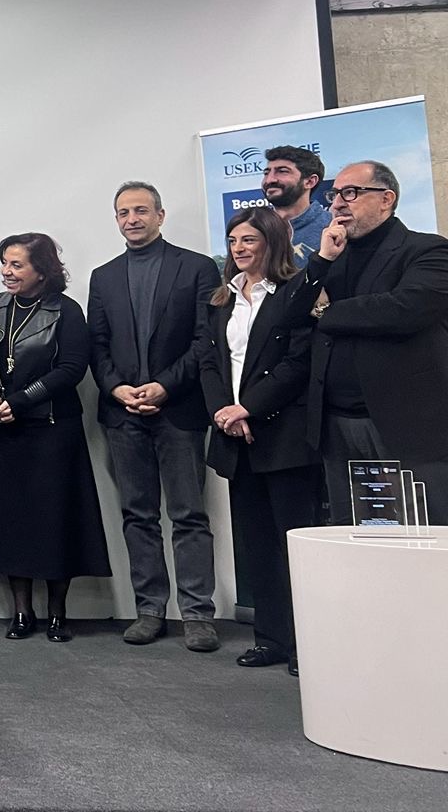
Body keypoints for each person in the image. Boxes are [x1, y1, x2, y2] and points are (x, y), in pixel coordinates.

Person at [87, 181, 220, 651]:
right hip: (123, 413)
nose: (132, 219)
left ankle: (198, 614)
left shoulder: (198, 268)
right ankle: (150, 610)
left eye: (141, 210)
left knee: (188, 515)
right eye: (124, 212)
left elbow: (205, 339)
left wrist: (165, 385)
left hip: (178, 409)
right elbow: (97, 345)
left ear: (160, 215)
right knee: (138, 515)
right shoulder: (103, 276)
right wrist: (116, 388)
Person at [0, 233, 110, 643]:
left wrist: (19, 400)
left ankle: (58, 614)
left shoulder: (66, 310)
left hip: (53, 431)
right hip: (6, 432)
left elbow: (71, 368)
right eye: (5, 263)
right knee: (12, 522)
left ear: (43, 271)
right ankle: (22, 611)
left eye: (17, 265)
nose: (6, 272)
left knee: (55, 522)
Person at [198, 208, 318, 675]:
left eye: (249, 239)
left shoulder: (294, 291)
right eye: (233, 241)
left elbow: (298, 363)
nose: (239, 248)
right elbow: (209, 360)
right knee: (257, 546)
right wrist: (224, 413)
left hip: (283, 435)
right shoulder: (222, 297)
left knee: (295, 545)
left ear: (272, 241)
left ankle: (307, 644)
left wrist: (248, 408)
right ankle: (271, 640)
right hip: (236, 437)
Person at [295, 160, 448, 522]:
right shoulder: (331, 257)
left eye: (350, 193)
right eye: (334, 195)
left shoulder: (428, 250)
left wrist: (326, 313)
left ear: (386, 199)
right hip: (335, 425)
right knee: (354, 537)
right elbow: (292, 313)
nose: (337, 203)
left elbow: (402, 310)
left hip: (405, 425)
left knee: (421, 532)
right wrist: (321, 261)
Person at [260, 146, 330, 267]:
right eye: (266, 173)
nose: (270, 180)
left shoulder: (332, 226)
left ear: (310, 181)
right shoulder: (252, 226)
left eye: (282, 171)